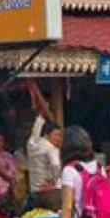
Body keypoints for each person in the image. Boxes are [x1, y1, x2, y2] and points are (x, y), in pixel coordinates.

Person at [24, 81, 63, 209]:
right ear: (47, 134)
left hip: (35, 190)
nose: (59, 139)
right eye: (56, 135)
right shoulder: (51, 148)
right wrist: (53, 181)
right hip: (50, 191)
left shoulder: (32, 143)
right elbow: (56, 165)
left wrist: (41, 113)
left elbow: (36, 129)